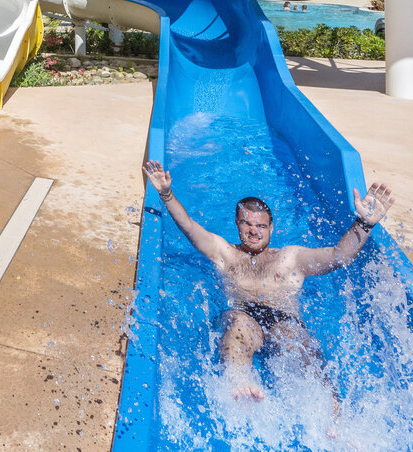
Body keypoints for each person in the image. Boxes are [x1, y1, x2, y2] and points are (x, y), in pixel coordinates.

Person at [142, 159, 394, 404]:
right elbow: (188, 226)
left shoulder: (291, 257)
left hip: (283, 318)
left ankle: (333, 413)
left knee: (296, 338)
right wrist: (166, 194)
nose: (254, 231)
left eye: (261, 226)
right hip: (242, 315)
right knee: (239, 325)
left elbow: (339, 256)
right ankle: (239, 381)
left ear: (272, 228)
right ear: (237, 225)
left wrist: (364, 223)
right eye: (247, 224)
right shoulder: (225, 253)